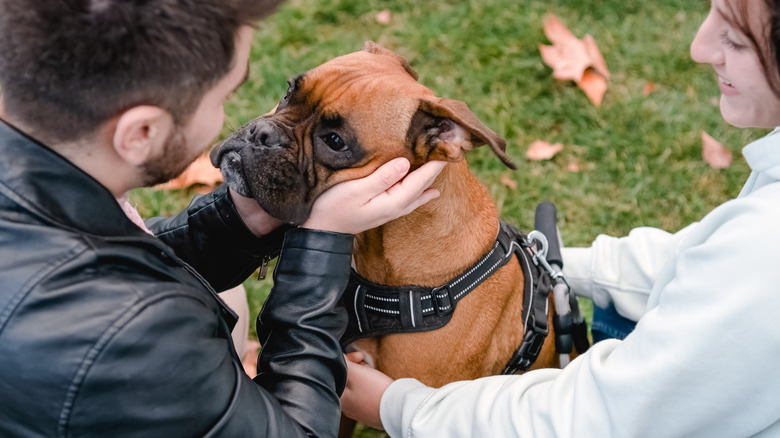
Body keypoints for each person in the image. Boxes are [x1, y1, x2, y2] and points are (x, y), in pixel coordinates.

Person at [0, 1, 446, 437]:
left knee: (223, 295)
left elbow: (103, 258)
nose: (260, 125)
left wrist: (237, 220)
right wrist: (321, 240)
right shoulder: (133, 335)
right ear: (141, 133)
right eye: (223, 97)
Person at [340, 0, 780, 436]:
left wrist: (396, 407)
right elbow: (699, 260)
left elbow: (594, 417)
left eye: (735, 39)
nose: (699, 48)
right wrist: (540, 265)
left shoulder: (763, 253)